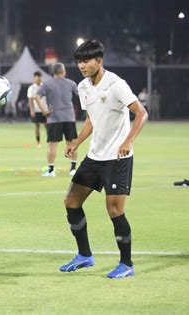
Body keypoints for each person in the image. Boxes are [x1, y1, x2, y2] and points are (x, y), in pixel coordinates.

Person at [60, 40, 148, 278]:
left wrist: (128, 141)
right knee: (71, 202)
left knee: (114, 210)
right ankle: (85, 256)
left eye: (86, 61)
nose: (82, 65)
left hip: (117, 158)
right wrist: (77, 142)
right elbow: (92, 118)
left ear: (99, 61)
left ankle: (126, 264)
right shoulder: (83, 87)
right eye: (79, 61)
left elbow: (141, 113)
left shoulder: (116, 85)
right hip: (94, 156)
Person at [33, 62, 79, 177]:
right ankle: (73, 169)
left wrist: (44, 111)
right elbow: (83, 95)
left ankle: (51, 170)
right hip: (69, 117)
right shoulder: (71, 83)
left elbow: (36, 97)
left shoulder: (47, 84)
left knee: (52, 145)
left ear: (52, 72)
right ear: (63, 72)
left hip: (54, 118)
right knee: (71, 143)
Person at [27, 71, 47, 148]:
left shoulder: (44, 86)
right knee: (37, 126)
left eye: (40, 78)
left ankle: (49, 141)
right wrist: (32, 110)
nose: (39, 79)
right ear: (34, 78)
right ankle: (38, 142)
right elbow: (30, 100)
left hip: (44, 109)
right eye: (37, 78)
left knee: (47, 125)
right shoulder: (31, 88)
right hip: (36, 109)